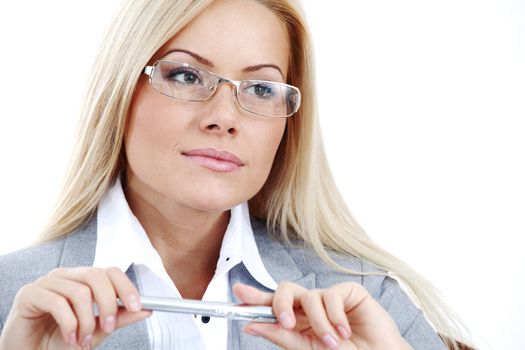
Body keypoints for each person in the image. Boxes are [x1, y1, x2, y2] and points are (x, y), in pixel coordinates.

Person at [0, 0, 471, 349]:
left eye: (262, 88)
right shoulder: (13, 304)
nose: (224, 117)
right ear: (121, 92)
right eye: (186, 76)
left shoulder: (367, 305)